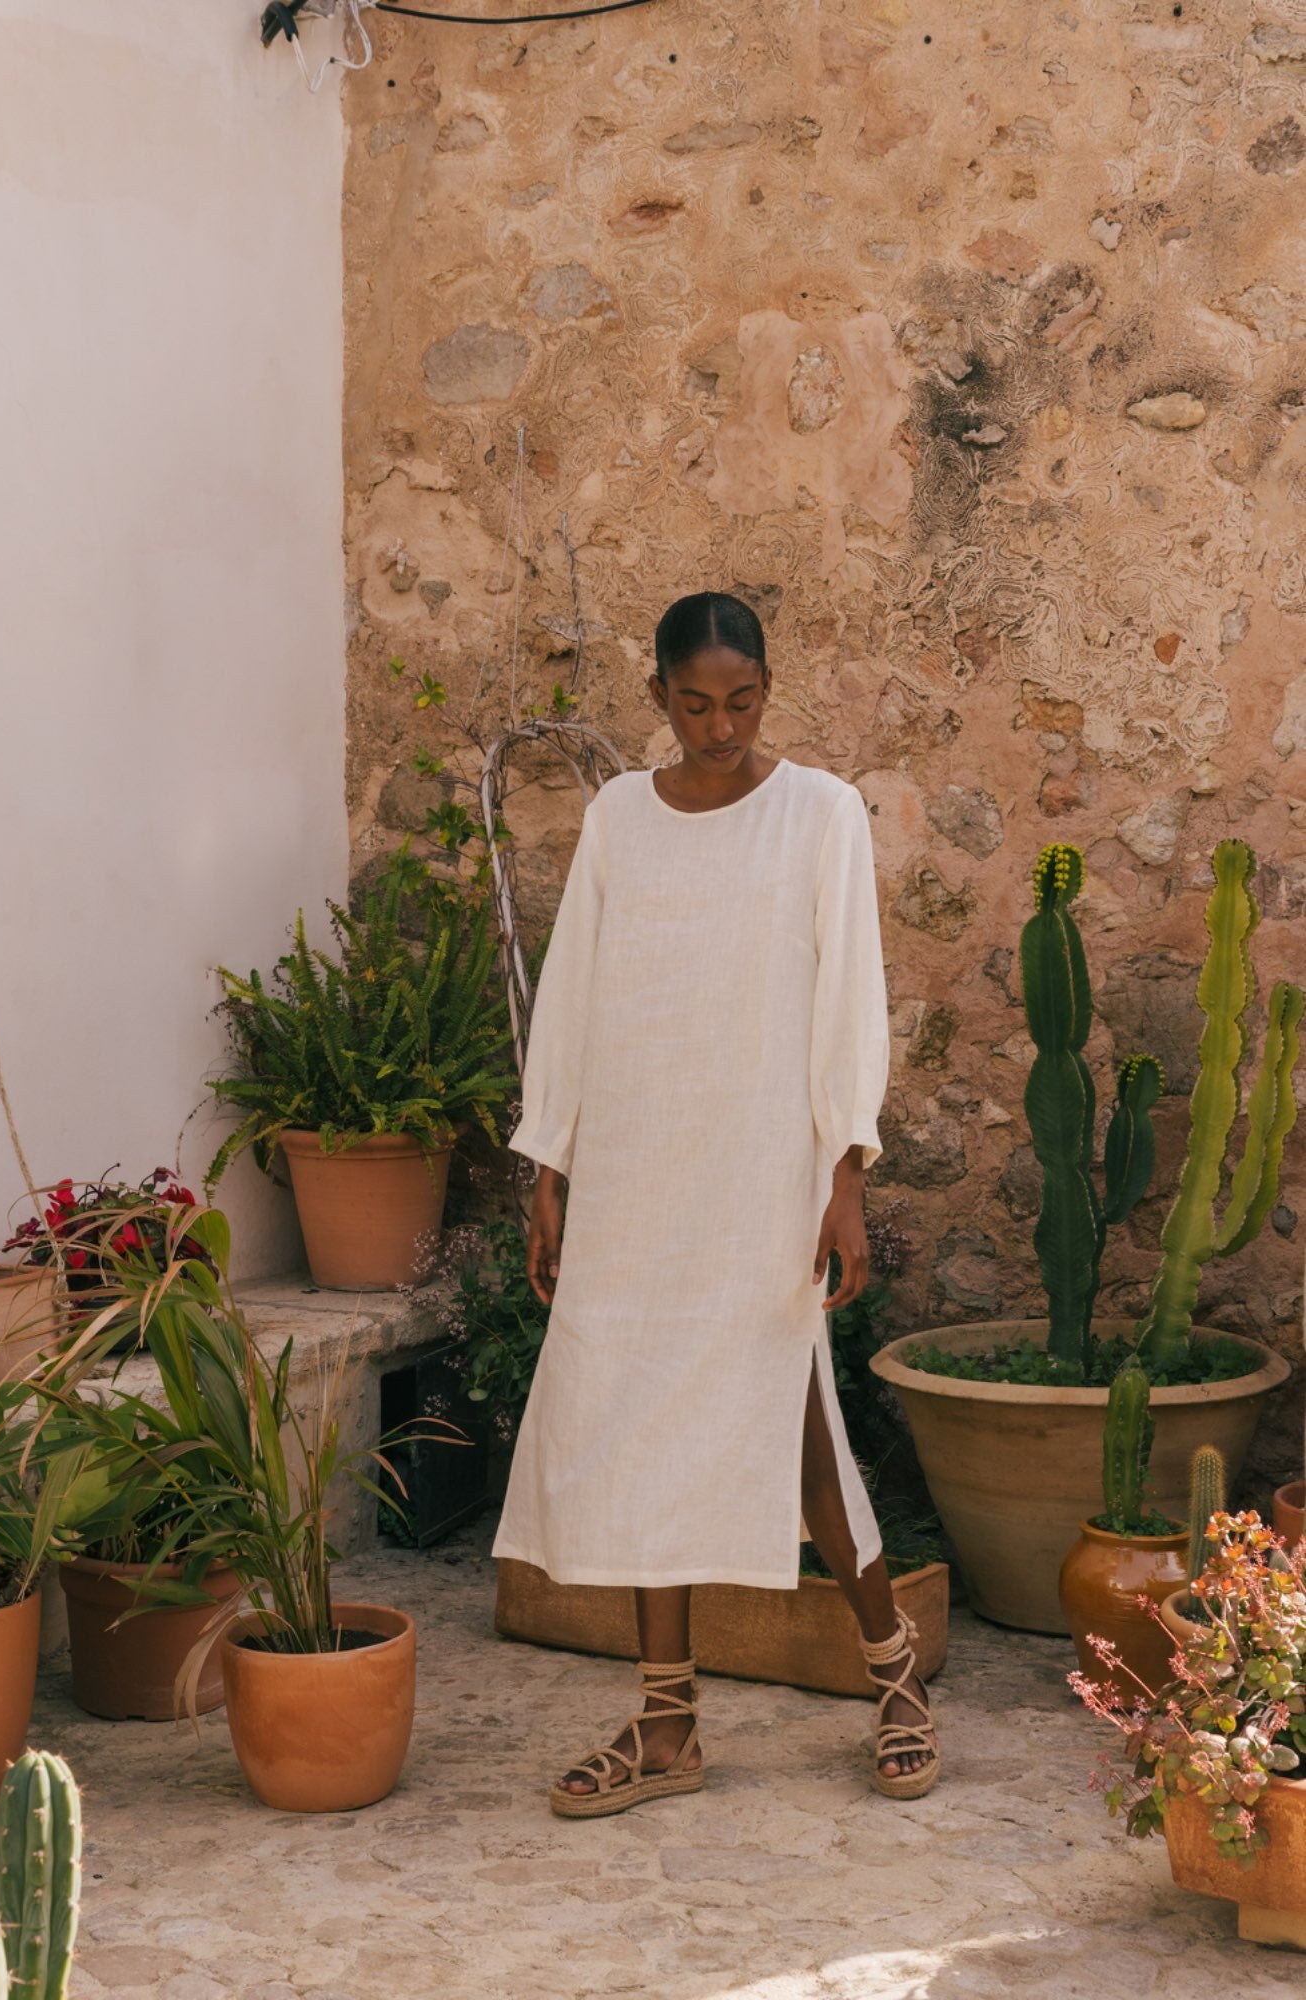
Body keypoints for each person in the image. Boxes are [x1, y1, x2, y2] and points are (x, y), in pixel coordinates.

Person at [492, 590, 939, 1818]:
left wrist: (845, 1172)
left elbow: (851, 992)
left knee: (790, 1422)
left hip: (759, 1172)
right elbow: (575, 990)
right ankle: (667, 1719)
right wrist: (551, 1165)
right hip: (640, 1167)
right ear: (658, 699)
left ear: (768, 688)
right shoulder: (619, 818)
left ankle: (893, 1668)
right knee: (638, 1417)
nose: (720, 726)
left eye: (742, 701)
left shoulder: (821, 813)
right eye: (695, 704)